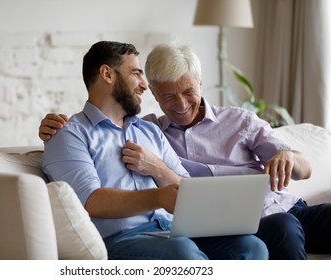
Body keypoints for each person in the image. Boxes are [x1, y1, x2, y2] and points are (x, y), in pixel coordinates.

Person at [40, 42, 331, 260]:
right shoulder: (70, 132)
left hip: (193, 226)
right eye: (137, 74)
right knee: (188, 249)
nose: (142, 84)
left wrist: (288, 156)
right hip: (128, 237)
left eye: (188, 92)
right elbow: (88, 201)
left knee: (251, 246)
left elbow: (184, 187)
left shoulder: (149, 131)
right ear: (107, 74)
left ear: (200, 85)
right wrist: (160, 195)